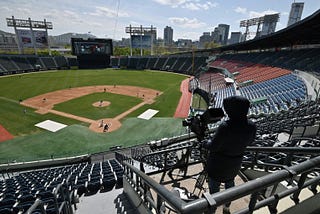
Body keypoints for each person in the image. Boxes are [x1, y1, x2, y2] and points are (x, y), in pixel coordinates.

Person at [202, 96, 256, 213]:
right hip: (235, 164)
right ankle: (227, 207)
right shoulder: (251, 125)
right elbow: (250, 141)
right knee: (230, 184)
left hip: (217, 166)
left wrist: (205, 143)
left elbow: (213, 146)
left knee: (214, 189)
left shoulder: (225, 126)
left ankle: (212, 209)